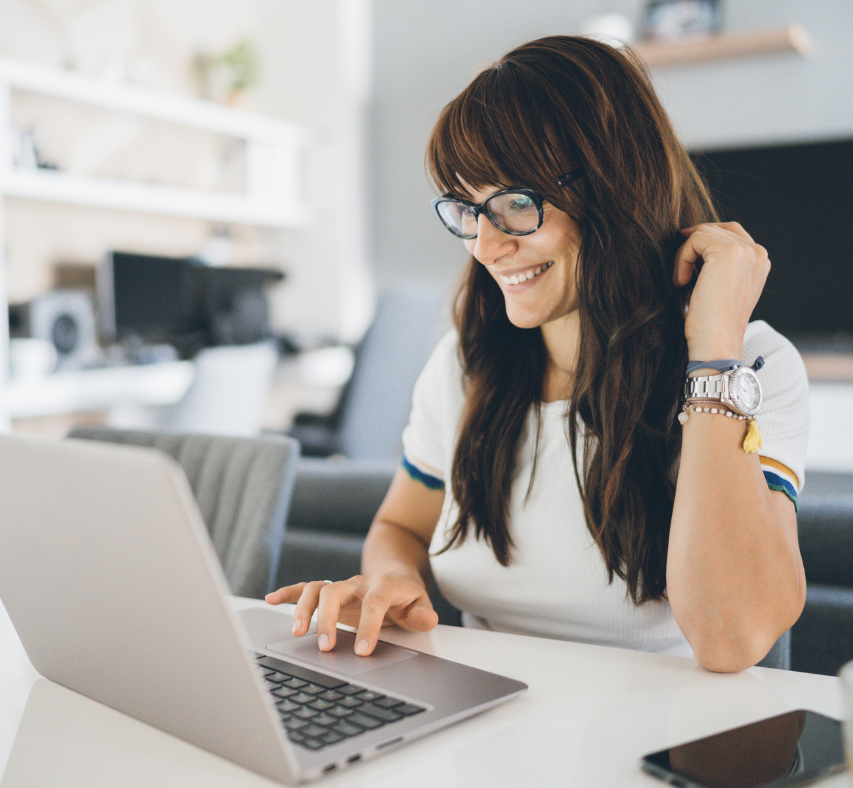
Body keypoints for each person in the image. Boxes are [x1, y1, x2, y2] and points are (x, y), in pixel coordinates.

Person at [266, 35, 809, 673]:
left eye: (518, 204)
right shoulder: (465, 367)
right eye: (468, 209)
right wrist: (393, 578)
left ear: (618, 187)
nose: (485, 246)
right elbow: (400, 529)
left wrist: (715, 354)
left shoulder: (753, 369)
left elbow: (732, 641)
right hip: (479, 718)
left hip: (664, 742)